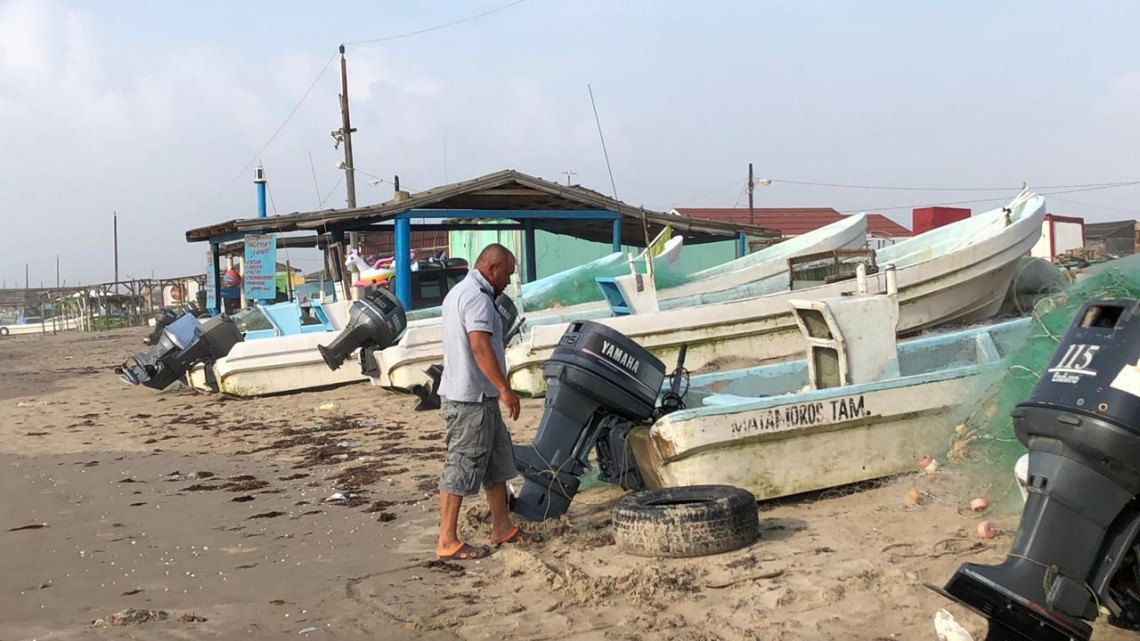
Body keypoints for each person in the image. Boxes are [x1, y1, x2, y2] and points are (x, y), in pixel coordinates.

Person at [435, 243, 540, 560]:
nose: (508, 282)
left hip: (478, 396)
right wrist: (505, 389)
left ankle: (502, 527)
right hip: (469, 398)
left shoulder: (459, 292)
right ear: (492, 269)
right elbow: (479, 346)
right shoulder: (478, 298)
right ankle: (446, 540)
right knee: (462, 464)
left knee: (496, 463)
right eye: (507, 274)